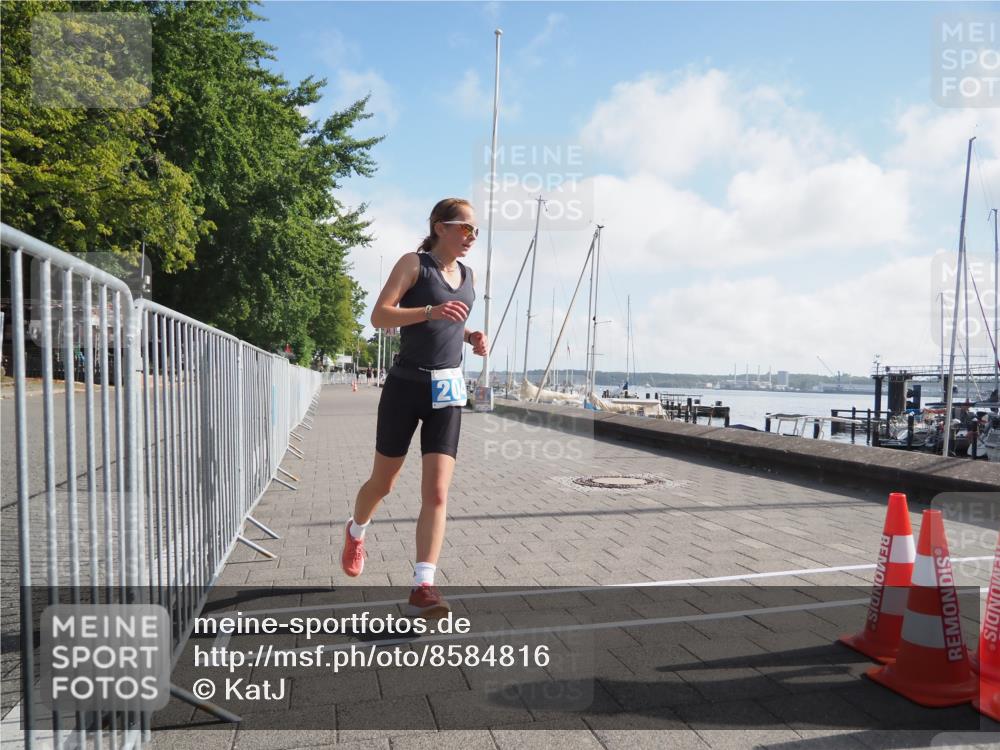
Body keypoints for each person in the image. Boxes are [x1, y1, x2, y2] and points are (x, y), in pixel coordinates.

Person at [341, 198, 487, 618]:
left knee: (437, 492)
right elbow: (379, 317)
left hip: (447, 387)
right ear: (441, 227)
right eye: (465, 228)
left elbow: (450, 324)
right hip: (406, 384)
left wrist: (470, 336)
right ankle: (356, 530)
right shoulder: (414, 264)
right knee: (383, 484)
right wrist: (430, 310)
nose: (472, 236)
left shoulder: (469, 276)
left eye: (476, 230)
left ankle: (424, 584)